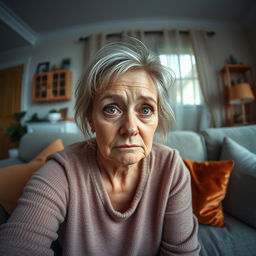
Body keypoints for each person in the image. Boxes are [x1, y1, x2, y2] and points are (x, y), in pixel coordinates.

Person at [0, 38, 200, 255]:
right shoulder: (62, 171)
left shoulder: (172, 168)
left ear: (157, 119)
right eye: (111, 109)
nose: (131, 128)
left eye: (145, 110)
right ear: (91, 121)